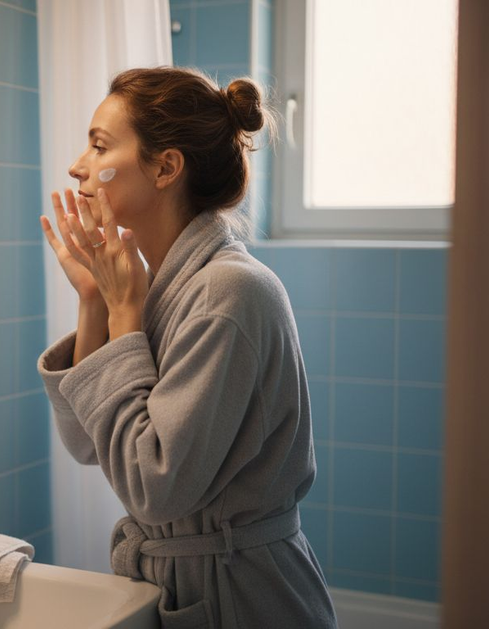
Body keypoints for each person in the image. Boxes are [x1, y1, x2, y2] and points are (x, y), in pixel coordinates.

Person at [37, 67, 337, 628]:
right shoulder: (163, 287)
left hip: (245, 596)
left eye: (99, 146)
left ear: (166, 167)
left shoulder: (229, 292)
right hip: (187, 580)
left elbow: (153, 485)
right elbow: (86, 442)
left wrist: (125, 312)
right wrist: (95, 302)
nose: (78, 166)